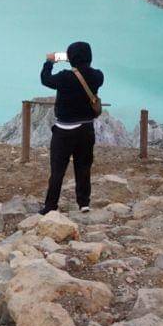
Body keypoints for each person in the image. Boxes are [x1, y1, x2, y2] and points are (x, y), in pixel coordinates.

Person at [39, 41, 104, 215]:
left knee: (58, 170)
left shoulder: (64, 77)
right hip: (86, 129)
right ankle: (84, 203)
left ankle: (50, 206)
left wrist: (49, 62)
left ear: (70, 58)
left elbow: (45, 80)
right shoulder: (98, 76)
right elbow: (90, 78)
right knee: (83, 167)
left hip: (64, 131)